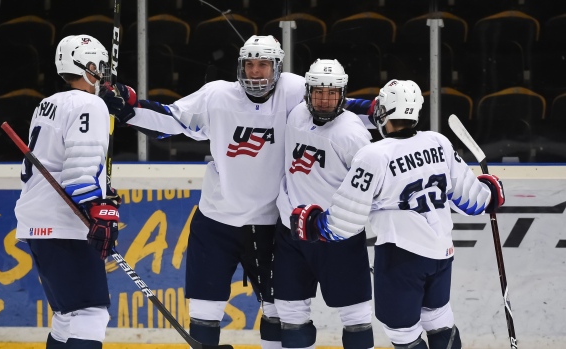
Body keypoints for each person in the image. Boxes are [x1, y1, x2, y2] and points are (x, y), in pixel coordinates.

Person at [101, 35, 306, 349]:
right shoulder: (218, 96)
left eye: (262, 64)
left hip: (269, 224)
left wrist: (382, 112)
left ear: (277, 67)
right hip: (215, 222)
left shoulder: (296, 92)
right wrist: (129, 110)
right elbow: (172, 120)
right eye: (248, 64)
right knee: (203, 310)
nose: (254, 71)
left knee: (278, 311)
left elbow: (336, 111)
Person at [290, 79, 505, 349]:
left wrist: (313, 223)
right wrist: (490, 190)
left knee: (403, 333)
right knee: (439, 319)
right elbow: (474, 202)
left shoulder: (374, 156)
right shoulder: (438, 142)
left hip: (401, 257)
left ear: (385, 112)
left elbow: (346, 221)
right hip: (441, 254)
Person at [15, 34, 120, 349]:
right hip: (65, 222)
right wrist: (97, 209)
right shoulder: (90, 103)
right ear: (86, 66)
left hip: (38, 220)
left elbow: (64, 162)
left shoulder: (48, 104)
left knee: (67, 316)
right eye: (99, 66)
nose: (102, 73)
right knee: (91, 314)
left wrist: (102, 193)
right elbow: (78, 172)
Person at [274, 59, 375, 349]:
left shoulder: (353, 135)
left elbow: (372, 186)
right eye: (319, 91)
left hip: (337, 236)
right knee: (290, 312)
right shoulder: (295, 115)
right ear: (308, 91)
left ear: (342, 94)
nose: (325, 99)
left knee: (355, 316)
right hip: (291, 232)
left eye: (333, 93)